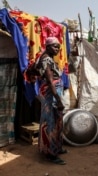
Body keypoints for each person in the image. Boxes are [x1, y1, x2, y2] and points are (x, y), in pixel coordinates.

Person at [35, 36, 67, 165]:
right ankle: (50, 153)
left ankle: (57, 148)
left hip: (53, 93)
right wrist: (58, 100)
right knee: (51, 123)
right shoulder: (46, 60)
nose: (57, 49)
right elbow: (49, 81)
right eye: (55, 46)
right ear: (47, 47)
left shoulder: (45, 58)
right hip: (51, 94)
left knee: (57, 121)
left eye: (58, 47)